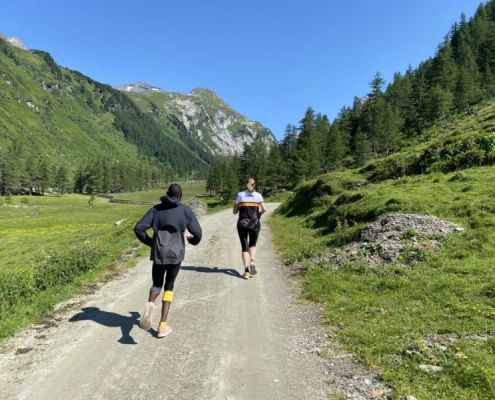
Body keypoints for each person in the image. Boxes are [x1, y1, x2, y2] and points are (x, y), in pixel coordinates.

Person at [134, 183, 202, 338]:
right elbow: (197, 232)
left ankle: (150, 305)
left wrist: (151, 243)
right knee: (169, 286)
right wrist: (193, 241)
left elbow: (139, 228)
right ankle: (162, 326)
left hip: (159, 252)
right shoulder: (185, 210)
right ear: (180, 195)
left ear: (167, 193)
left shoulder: (156, 209)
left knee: (156, 284)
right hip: (176, 253)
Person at [233, 177, 267, 279]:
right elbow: (265, 209)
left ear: (245, 184)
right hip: (255, 224)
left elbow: (234, 212)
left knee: (245, 247)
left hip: (242, 224)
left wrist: (236, 206)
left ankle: (247, 271)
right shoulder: (258, 195)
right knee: (252, 245)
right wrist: (258, 216)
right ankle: (252, 261)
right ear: (254, 185)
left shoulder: (240, 195)